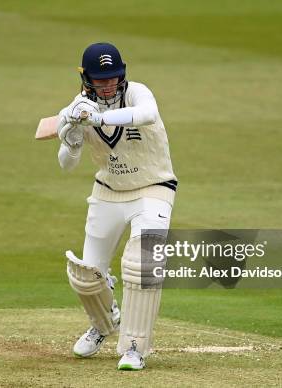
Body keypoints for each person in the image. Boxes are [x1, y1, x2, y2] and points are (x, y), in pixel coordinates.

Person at [57, 42, 177, 371]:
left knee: (143, 263)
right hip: (108, 190)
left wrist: (95, 118)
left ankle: (135, 346)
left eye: (114, 77)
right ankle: (104, 323)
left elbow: (147, 114)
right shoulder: (77, 107)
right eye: (101, 79)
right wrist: (72, 136)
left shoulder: (138, 93)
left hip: (153, 187)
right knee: (85, 276)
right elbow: (66, 164)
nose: (108, 84)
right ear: (87, 79)